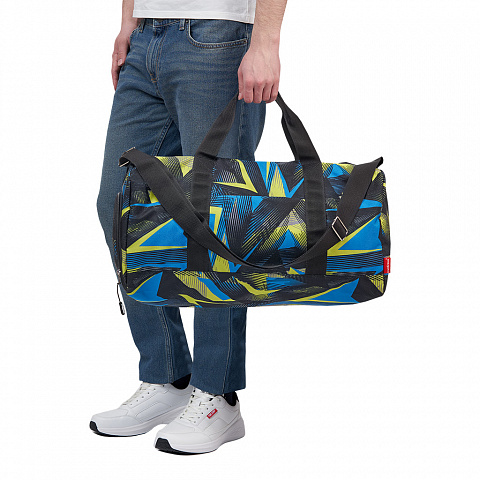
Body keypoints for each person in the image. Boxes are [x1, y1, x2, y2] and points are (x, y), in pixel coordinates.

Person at [92, 0, 286, 455]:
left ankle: (219, 395)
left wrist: (265, 42)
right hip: (147, 37)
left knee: (220, 217)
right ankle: (167, 376)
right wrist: (128, 22)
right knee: (120, 206)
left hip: (219, 35)